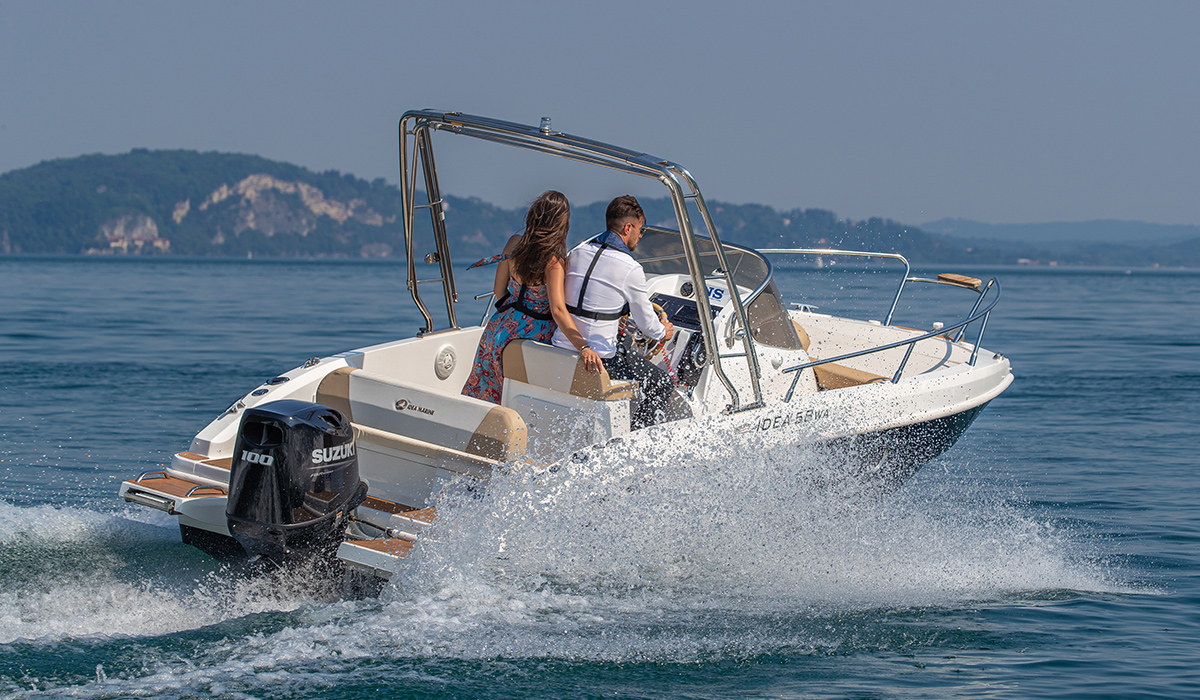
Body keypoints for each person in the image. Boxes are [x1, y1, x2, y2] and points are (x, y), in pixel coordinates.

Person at [551, 194, 683, 429]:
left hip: (561, 344)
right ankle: (636, 438)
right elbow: (647, 326)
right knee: (662, 382)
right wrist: (664, 331)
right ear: (628, 228)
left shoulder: (577, 252)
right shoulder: (630, 268)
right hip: (599, 359)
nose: (640, 236)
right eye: (640, 230)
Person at [462, 191, 601, 404]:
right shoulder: (553, 261)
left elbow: (499, 291)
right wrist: (584, 346)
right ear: (561, 224)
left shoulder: (514, 243)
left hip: (497, 329)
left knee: (486, 394)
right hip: (532, 334)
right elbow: (557, 310)